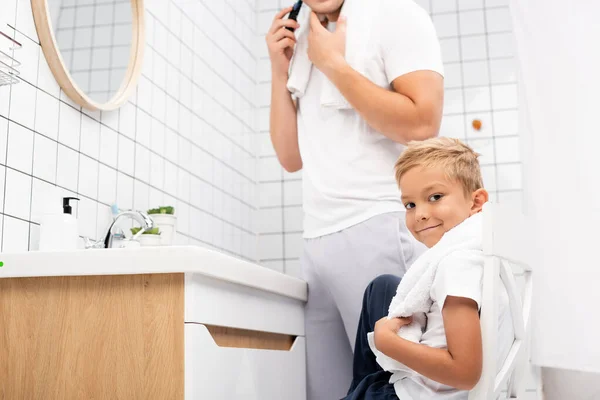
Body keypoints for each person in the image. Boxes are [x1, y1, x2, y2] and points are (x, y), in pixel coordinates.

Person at [265, 0, 444, 398]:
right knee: (328, 392)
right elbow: (291, 158)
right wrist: (280, 73)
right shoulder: (305, 34)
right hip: (317, 242)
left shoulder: (395, 14)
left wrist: (334, 65)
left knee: (393, 389)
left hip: (375, 226)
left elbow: (422, 122)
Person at [343, 137, 514, 400]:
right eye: (410, 204)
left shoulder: (458, 263)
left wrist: (387, 342)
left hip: (416, 396)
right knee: (383, 285)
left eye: (435, 197)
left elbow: (465, 373)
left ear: (476, 202)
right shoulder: (480, 251)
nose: (420, 213)